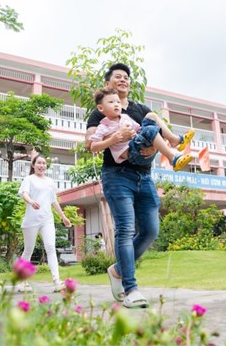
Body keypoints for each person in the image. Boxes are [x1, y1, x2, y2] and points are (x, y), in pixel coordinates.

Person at [86, 63, 170, 308]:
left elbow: (154, 136)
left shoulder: (140, 109)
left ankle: (118, 270)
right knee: (124, 229)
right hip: (117, 176)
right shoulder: (101, 113)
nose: (123, 80)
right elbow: (89, 144)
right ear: (108, 83)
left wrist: (154, 149)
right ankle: (130, 288)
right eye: (118, 77)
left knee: (151, 230)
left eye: (126, 77)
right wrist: (115, 137)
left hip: (144, 176)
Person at [89, 87, 194, 171]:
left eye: (118, 102)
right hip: (133, 153)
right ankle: (172, 158)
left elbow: (139, 129)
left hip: (141, 146)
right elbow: (93, 147)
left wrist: (153, 144)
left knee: (151, 116)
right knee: (149, 130)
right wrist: (112, 140)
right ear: (100, 108)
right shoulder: (103, 126)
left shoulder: (125, 117)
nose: (116, 104)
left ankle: (174, 140)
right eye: (111, 102)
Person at [18, 153, 72, 293]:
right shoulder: (29, 179)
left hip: (47, 219)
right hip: (31, 220)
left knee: (51, 248)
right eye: (39, 163)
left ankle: (56, 281)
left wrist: (63, 217)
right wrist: (31, 202)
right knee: (28, 250)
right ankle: (22, 281)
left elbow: (53, 201)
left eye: (44, 163)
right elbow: (24, 194)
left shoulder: (50, 181)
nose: (41, 165)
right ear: (33, 165)